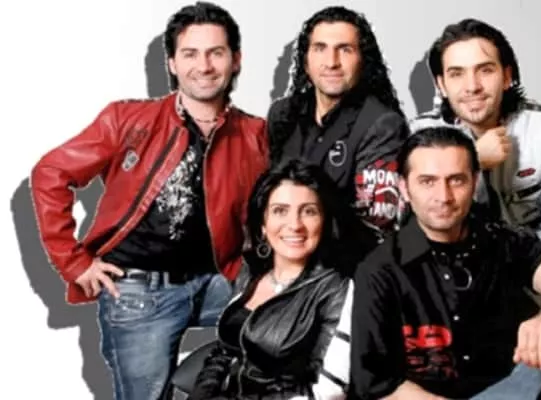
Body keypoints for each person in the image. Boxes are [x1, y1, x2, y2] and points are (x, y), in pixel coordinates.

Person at [28, 3, 268, 399]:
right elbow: (50, 174)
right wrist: (74, 262)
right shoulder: (127, 120)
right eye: (190, 54)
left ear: (236, 59)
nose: (204, 65)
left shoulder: (255, 133)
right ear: (172, 63)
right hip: (140, 291)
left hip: (221, 282)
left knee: (300, 324)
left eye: (216, 53)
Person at [349, 127, 541, 399]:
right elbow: (377, 384)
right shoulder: (379, 269)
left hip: (511, 389)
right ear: (404, 188)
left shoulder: (504, 240)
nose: (443, 196)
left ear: (474, 182)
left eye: (456, 180)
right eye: (427, 182)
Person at [410, 18, 541, 279]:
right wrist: (473, 160)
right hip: (459, 283)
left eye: (485, 70)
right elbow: (414, 231)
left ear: (507, 76)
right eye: (457, 74)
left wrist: (505, 285)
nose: (472, 86)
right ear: (441, 85)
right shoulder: (418, 135)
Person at [187, 158, 353, 400]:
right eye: (280, 211)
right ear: (263, 224)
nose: (294, 225)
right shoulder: (250, 271)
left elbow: (328, 392)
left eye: (309, 211)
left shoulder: (338, 288)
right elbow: (223, 352)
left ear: (325, 221)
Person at [266, 6, 409, 252]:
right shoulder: (283, 114)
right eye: (320, 48)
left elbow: (375, 221)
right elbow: (266, 195)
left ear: (363, 60)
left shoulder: (382, 123)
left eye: (345, 49)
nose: (331, 62)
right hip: (283, 253)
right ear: (306, 61)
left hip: (346, 261)